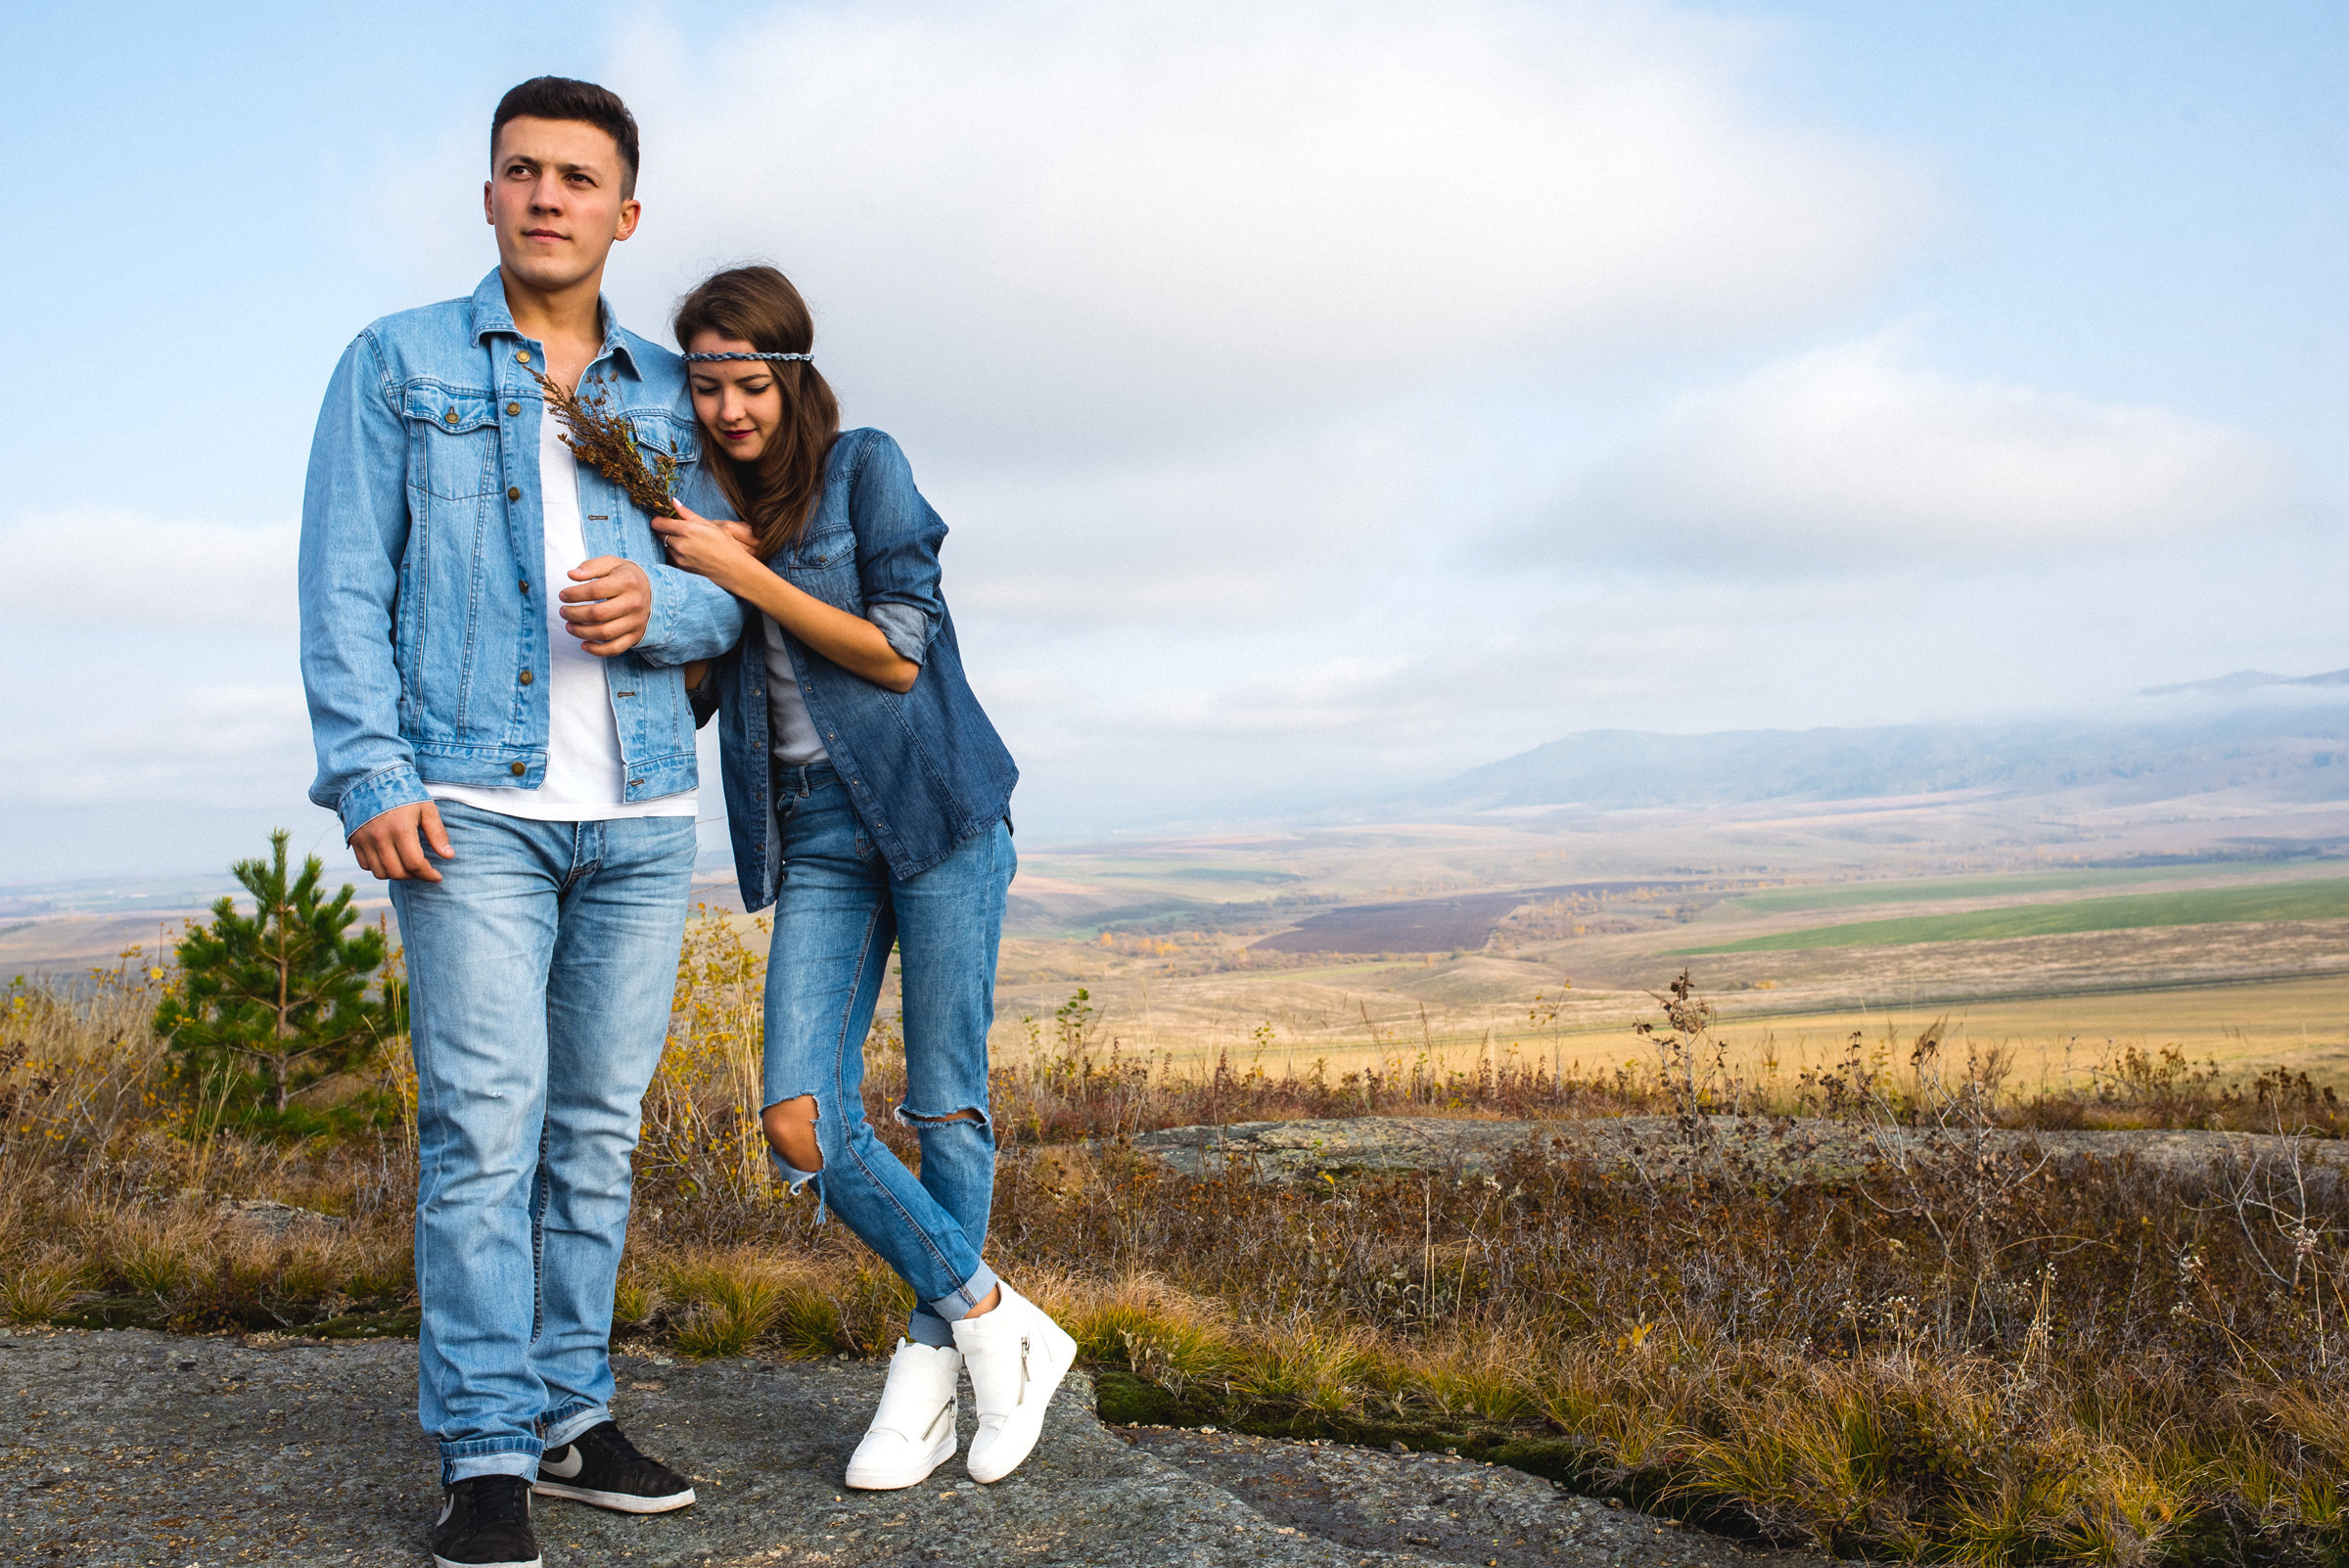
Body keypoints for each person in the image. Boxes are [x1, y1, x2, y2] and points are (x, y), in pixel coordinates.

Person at [299, 77, 743, 1568]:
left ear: (626, 214)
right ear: (488, 196)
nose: (546, 195)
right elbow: (346, 580)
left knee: (597, 1134)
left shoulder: (680, 395)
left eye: (576, 176)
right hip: (470, 806)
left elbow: (736, 595)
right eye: (520, 171)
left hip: (640, 811)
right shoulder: (395, 362)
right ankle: (485, 1446)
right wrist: (370, 772)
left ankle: (570, 1410)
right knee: (484, 1129)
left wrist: (663, 602)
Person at [653, 264, 1077, 1492]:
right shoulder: (692, 505)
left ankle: (925, 1375)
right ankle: (994, 1316)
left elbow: (896, 654)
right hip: (815, 833)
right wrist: (668, 604)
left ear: (793, 375)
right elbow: (696, 694)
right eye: (705, 386)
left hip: (937, 811)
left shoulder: (864, 466)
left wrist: (744, 577)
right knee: (801, 1117)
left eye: (748, 383)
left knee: (945, 1103)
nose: (729, 410)